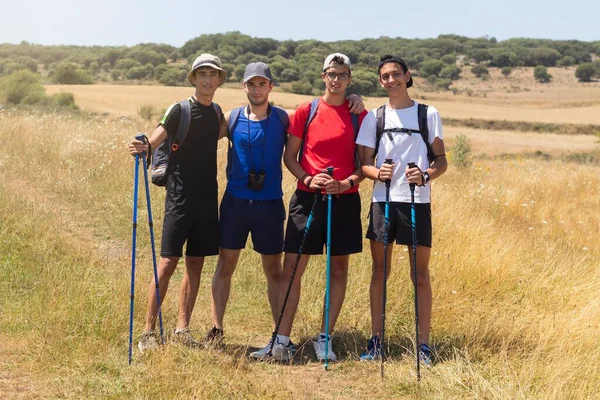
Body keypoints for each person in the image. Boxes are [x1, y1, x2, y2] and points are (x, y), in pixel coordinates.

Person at [207, 62, 366, 355]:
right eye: (251, 84)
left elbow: (331, 122)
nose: (256, 89)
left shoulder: (284, 118)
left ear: (271, 87)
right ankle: (218, 329)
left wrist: (355, 99)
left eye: (261, 84)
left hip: (269, 204)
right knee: (226, 264)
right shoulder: (230, 118)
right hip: (236, 202)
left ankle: (282, 337)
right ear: (243, 87)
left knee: (277, 272)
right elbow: (201, 137)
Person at [255, 53, 366, 362]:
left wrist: (344, 184)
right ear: (323, 76)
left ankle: (325, 338)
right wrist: (307, 177)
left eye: (342, 75)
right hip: (307, 197)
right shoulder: (307, 110)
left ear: (349, 80)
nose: (336, 80)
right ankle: (282, 340)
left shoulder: (360, 114)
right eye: (331, 74)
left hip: (344, 199)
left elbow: (362, 165)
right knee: (292, 269)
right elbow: (290, 156)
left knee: (339, 269)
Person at [127, 54, 228, 351]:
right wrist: (143, 147)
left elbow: (238, 126)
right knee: (168, 262)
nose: (208, 79)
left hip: (208, 199)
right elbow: (155, 139)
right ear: (193, 78)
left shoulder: (218, 113)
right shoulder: (179, 109)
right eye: (202, 74)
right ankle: (148, 332)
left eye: (213, 74)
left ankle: (182, 329)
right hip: (179, 198)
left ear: (220, 80)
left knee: (195, 264)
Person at [355, 54, 448, 365]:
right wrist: (376, 173)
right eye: (385, 77)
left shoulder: (428, 114)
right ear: (380, 81)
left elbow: (441, 161)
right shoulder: (374, 118)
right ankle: (376, 341)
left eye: (396, 74)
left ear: (408, 75)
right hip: (382, 202)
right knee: (380, 271)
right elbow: (364, 164)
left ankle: (423, 346)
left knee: (419, 274)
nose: (391, 81)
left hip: (416, 202)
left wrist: (424, 176)